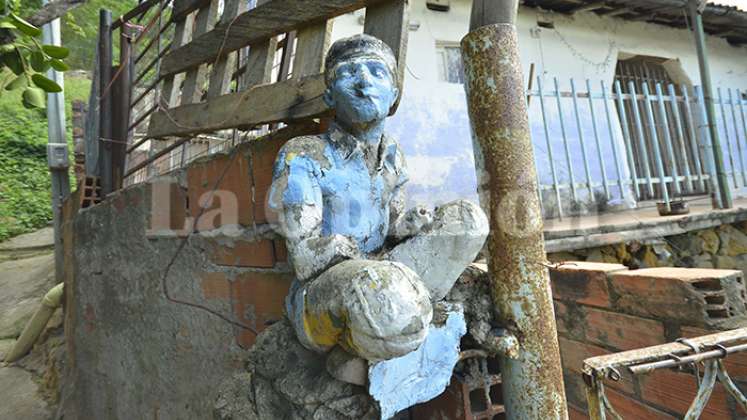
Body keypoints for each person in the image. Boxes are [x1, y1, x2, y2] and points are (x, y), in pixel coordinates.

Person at [268, 34, 488, 362]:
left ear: (393, 95)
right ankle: (365, 341)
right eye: (348, 74)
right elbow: (304, 259)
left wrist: (406, 225)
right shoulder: (303, 155)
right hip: (323, 293)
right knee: (383, 291)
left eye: (377, 72)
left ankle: (398, 311)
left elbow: (389, 230)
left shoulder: (393, 156)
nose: (363, 83)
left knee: (467, 222)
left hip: (383, 270)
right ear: (330, 94)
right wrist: (357, 252)